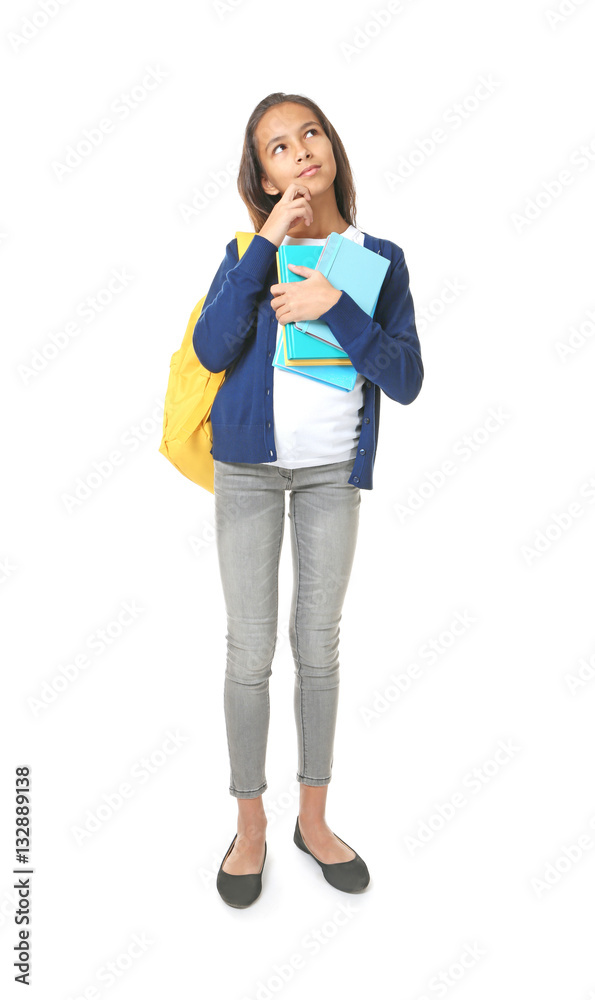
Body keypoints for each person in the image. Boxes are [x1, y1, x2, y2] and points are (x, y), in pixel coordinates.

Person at [193, 92, 424, 907]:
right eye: (278, 148)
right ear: (261, 176)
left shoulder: (378, 257)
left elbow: (405, 380)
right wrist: (265, 242)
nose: (301, 152)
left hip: (331, 476)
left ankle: (313, 821)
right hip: (249, 473)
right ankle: (250, 826)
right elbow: (213, 343)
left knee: (317, 646)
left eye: (310, 134)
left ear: (331, 147)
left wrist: (340, 311)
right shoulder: (245, 253)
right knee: (248, 652)